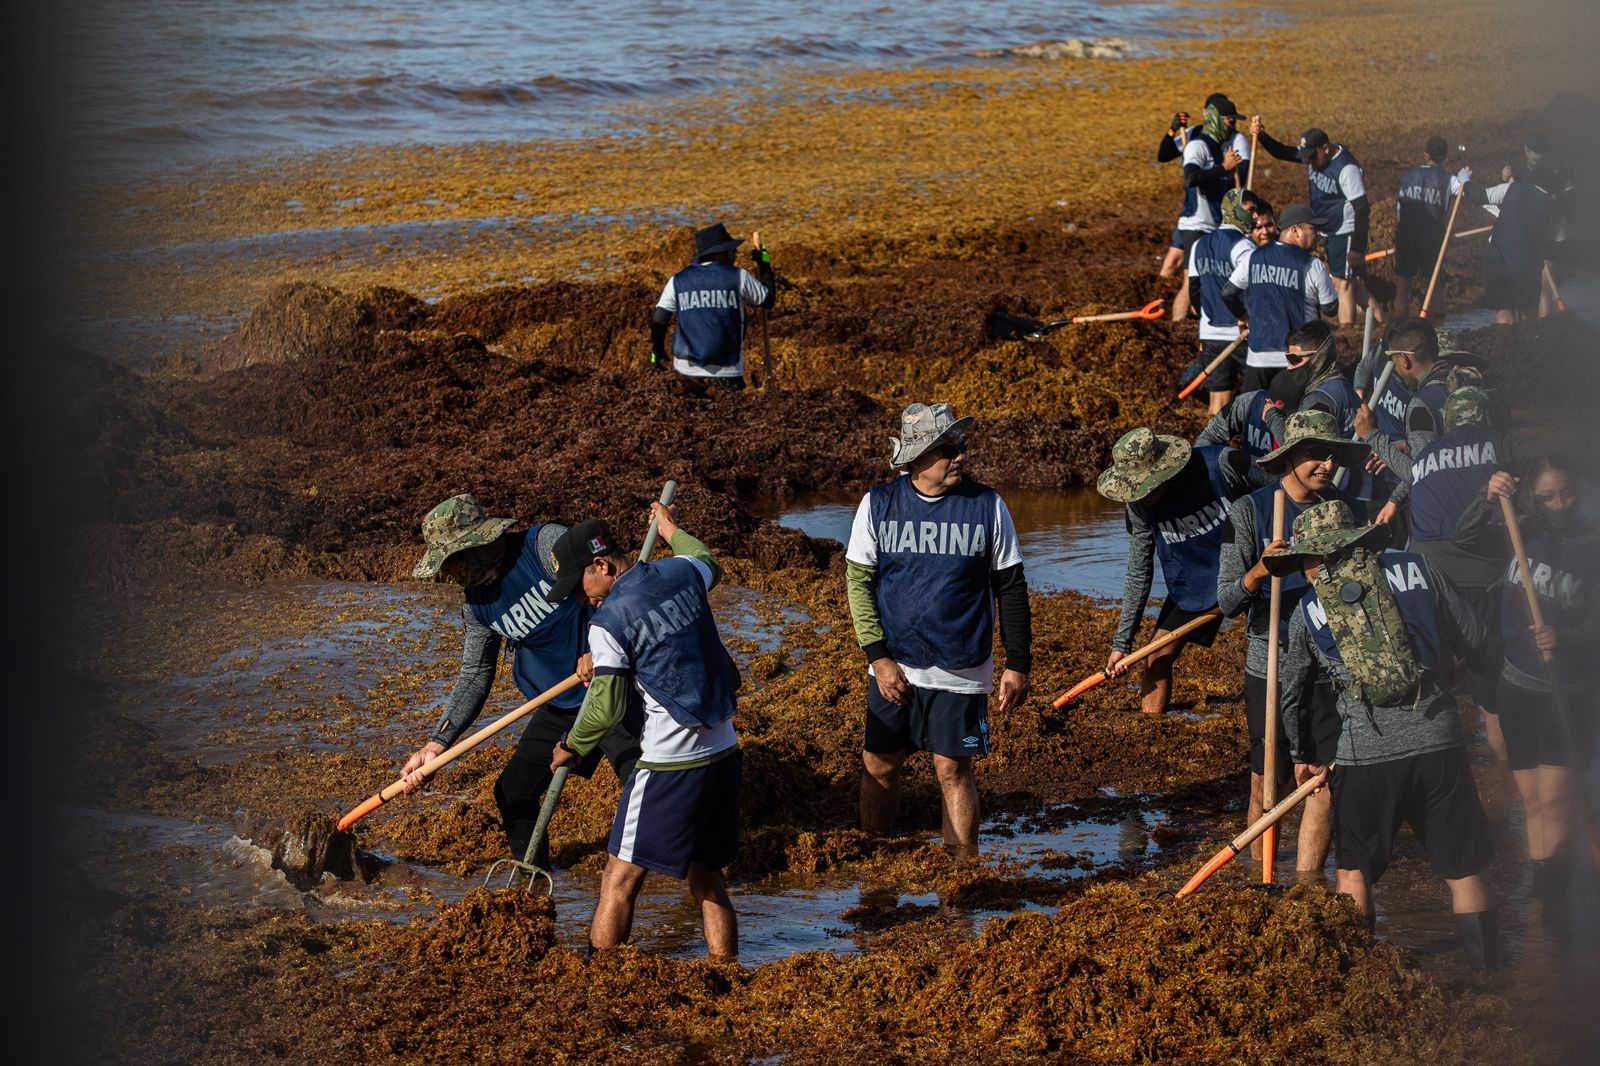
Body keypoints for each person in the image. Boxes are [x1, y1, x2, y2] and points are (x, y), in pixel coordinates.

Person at [1269, 501, 1500, 971]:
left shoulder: (1310, 608)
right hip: (1440, 740)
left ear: (1316, 556)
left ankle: (1361, 978)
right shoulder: (1419, 567)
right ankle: (1491, 978)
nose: (1305, 571)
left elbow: (1292, 694)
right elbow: (1476, 638)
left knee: (1354, 872)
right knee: (1464, 869)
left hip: (1365, 754)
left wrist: (1303, 754)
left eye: (1304, 561)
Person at [400, 494, 641, 869]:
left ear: (478, 543)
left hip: (611, 692)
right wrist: (438, 743)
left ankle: (692, 879)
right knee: (513, 792)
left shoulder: (544, 546)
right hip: (558, 703)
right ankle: (535, 886)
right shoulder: (476, 605)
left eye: (452, 562)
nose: (448, 575)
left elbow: (616, 581)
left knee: (645, 787)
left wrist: (604, 642)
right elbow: (476, 673)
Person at [547, 504, 743, 958]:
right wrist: (673, 528)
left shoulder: (607, 622)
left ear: (601, 565)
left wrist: (572, 747)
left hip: (669, 765)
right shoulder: (680, 573)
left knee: (617, 880)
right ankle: (727, 972)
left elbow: (607, 705)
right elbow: (707, 558)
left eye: (579, 587)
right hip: (724, 752)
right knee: (707, 876)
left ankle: (600, 980)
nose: (581, 600)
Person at [846, 403, 1032, 854]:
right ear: (916, 458)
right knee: (879, 764)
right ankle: (877, 863)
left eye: (960, 446)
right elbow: (858, 583)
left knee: (953, 769)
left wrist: (1018, 662)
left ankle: (962, 881)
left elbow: (1011, 586)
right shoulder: (879, 504)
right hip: (895, 666)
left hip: (962, 665)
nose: (960, 456)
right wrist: (878, 657)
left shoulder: (987, 506)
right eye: (947, 448)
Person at [1217, 412, 1366, 879]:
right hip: (1272, 662)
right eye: (1314, 455)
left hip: (1329, 667)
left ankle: (1305, 884)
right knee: (1269, 778)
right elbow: (1226, 601)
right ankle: (1261, 876)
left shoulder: (1343, 510)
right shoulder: (1250, 511)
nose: (1326, 464)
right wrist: (1263, 569)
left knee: (1322, 777)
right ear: (1287, 458)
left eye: (1332, 455)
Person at [1457, 455, 1599, 923]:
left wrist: (1568, 637)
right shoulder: (1518, 532)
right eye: (1547, 497)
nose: (1558, 504)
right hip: (1516, 689)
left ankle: (1556, 902)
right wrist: (1488, 495)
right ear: (1531, 499)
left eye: (1567, 494)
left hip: (1568, 693)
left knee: (1558, 800)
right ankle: (1546, 902)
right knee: (1533, 801)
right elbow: (1465, 537)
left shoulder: (1592, 545)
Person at [1099, 427, 1267, 715]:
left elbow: (1281, 491)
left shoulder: (1223, 465)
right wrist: (1122, 642)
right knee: (1156, 659)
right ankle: (1152, 733)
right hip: (1194, 582)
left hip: (1254, 569)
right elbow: (1139, 570)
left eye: (1146, 485)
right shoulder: (1138, 506)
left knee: (1270, 650)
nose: (1142, 494)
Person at [1410, 388, 1520, 761]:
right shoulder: (1498, 443)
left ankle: (1441, 762)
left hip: (1425, 581)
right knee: (1492, 693)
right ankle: (1512, 779)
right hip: (1481, 581)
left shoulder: (1425, 455)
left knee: (1436, 684)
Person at [1250, 121, 1370, 324]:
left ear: (1325, 148)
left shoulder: (1346, 169)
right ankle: (1382, 320)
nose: (1310, 162)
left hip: (1344, 230)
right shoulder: (1314, 155)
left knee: (1343, 285)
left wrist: (1357, 248)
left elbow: (1362, 208)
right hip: (1328, 228)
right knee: (1354, 286)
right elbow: (1283, 153)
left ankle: (1347, 332)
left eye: (1313, 157)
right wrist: (1262, 136)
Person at [1222, 203, 1340, 393]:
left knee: (1254, 418)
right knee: (1292, 419)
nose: (1318, 235)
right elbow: (1331, 309)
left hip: (1258, 357)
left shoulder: (1253, 257)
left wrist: (1244, 317)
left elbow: (1227, 293)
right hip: (1297, 361)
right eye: (1313, 229)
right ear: (1295, 230)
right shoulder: (1312, 265)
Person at [1156, 94, 1250, 321]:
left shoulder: (1234, 142)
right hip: (1193, 219)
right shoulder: (1197, 139)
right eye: (1229, 120)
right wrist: (1172, 131)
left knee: (1192, 280)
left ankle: (1179, 318)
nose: (1233, 126)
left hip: (1211, 221)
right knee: (1175, 270)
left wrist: (1227, 170)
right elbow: (1166, 157)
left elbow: (1241, 179)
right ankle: (1166, 318)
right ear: (1213, 117)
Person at [650, 222, 776, 390]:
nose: (736, 253)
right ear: (720, 254)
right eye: (732, 250)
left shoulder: (677, 279)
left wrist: (657, 351)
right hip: (727, 371)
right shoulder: (738, 276)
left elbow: (660, 318)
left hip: (686, 371)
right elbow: (768, 300)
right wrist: (765, 265)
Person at [1183, 189, 1275, 414]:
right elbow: (1258, 290)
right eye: (1250, 211)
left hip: (1211, 332)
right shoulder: (1244, 247)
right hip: (1242, 333)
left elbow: (1194, 292)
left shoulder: (1199, 245)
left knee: (1218, 405)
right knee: (1263, 398)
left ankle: (1212, 447)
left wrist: (1204, 324)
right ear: (1233, 211)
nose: (1254, 217)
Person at [1462, 160, 1561, 323]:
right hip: (1523, 270)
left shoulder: (1510, 188)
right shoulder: (1551, 206)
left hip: (1495, 266)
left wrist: (1465, 180)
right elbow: (1549, 245)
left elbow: (1476, 196)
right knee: (1528, 324)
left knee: (1505, 324)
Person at [1392, 136, 1469, 314]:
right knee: (1435, 287)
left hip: (1406, 237)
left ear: (1426, 155)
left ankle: (1398, 333)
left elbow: (1399, 210)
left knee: (1402, 290)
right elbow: (1466, 191)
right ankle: (1440, 334)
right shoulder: (1449, 180)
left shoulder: (1408, 176)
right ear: (1445, 157)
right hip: (1432, 240)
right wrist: (1465, 180)